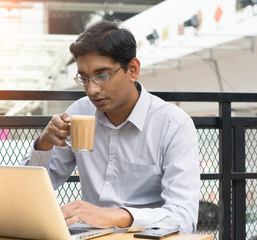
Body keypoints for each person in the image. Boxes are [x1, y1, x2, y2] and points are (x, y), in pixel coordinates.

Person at [21, 20, 200, 233]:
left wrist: (118, 216)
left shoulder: (173, 125)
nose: (92, 89)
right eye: (84, 78)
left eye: (102, 75)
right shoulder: (79, 113)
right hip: (89, 235)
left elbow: (183, 217)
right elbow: (28, 193)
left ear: (132, 69)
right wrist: (44, 144)